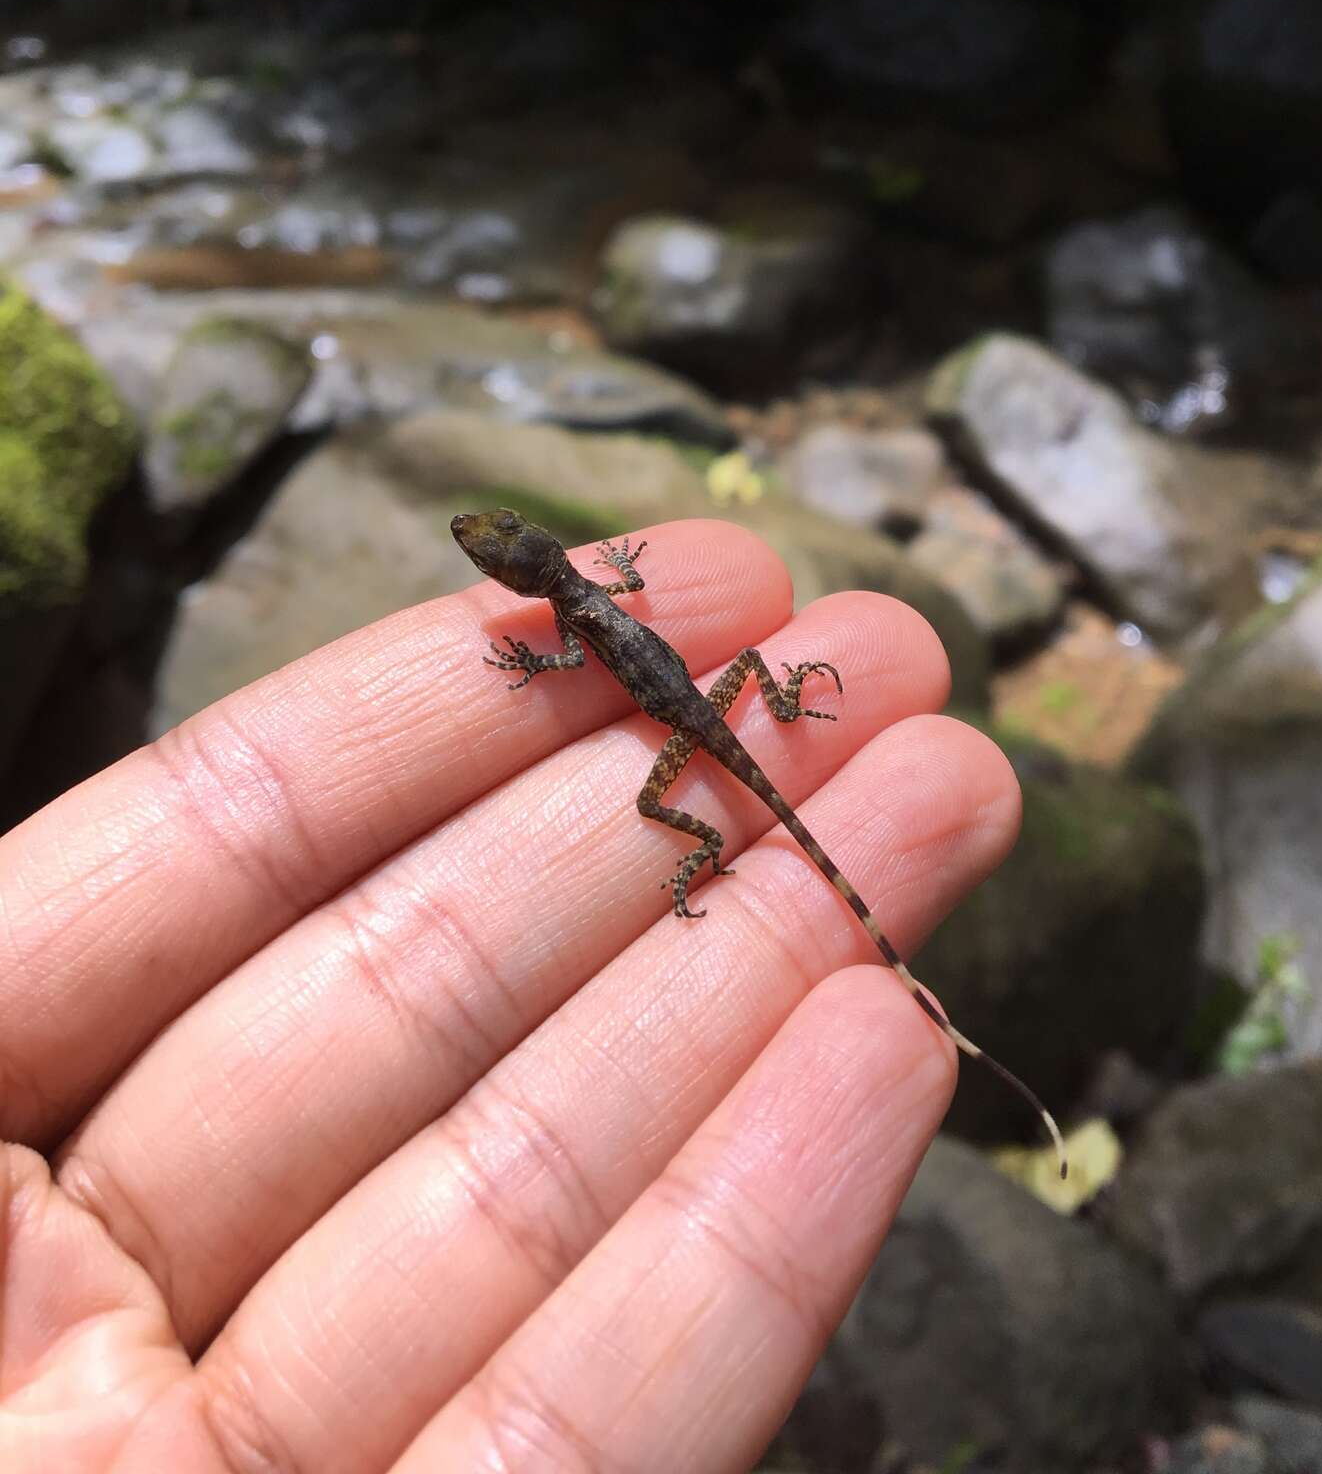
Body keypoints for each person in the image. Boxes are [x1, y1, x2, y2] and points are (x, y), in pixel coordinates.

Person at [0, 518, 1021, 1472]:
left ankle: (700, 848)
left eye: (493, 553)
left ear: (525, 574)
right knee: (765, 747)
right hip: (718, 698)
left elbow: (581, 659)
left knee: (651, 798)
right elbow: (608, 621)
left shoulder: (577, 617)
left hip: (686, 721)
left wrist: (541, 664)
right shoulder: (594, 588)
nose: (481, 550)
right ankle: (762, 762)